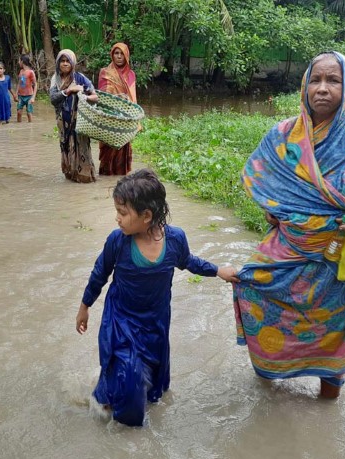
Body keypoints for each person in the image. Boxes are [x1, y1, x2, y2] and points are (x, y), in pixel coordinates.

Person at [233, 51, 345, 399]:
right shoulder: (282, 135)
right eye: (315, 79)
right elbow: (259, 179)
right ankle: (269, 379)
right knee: (252, 285)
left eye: (333, 80)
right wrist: (273, 208)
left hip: (338, 257)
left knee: (336, 327)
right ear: (304, 85)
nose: (322, 88)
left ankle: (328, 395)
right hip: (289, 248)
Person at [76, 169, 239, 426]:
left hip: (156, 320)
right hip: (121, 319)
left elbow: (188, 262)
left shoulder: (174, 239)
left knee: (152, 382)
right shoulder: (118, 242)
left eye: (122, 212)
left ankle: (123, 402)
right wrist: (84, 307)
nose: (116, 219)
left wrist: (219, 271)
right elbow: (100, 274)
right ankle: (121, 423)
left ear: (146, 216)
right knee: (128, 374)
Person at [49, 49, 98, 183]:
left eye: (68, 61)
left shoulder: (80, 78)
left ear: (73, 63)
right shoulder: (55, 80)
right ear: (58, 63)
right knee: (66, 146)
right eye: (62, 61)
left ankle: (85, 177)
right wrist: (69, 90)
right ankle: (71, 176)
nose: (65, 64)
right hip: (63, 123)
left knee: (81, 147)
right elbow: (53, 99)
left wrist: (83, 95)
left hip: (80, 122)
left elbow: (95, 97)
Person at [97, 42, 137, 176]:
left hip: (124, 118)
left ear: (126, 56)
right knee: (107, 152)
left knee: (123, 151)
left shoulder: (131, 74)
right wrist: (117, 97)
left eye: (121, 53)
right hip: (108, 118)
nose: (119, 56)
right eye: (116, 53)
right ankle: (105, 179)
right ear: (112, 55)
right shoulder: (105, 72)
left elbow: (133, 97)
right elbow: (102, 95)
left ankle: (120, 181)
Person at [14, 55, 37, 122]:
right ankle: (19, 125)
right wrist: (16, 94)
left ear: (22, 61)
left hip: (29, 96)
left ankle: (31, 127)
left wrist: (33, 97)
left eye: (19, 61)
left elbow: (35, 84)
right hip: (20, 96)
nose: (18, 62)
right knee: (19, 112)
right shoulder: (21, 71)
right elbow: (19, 83)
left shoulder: (31, 72)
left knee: (29, 113)